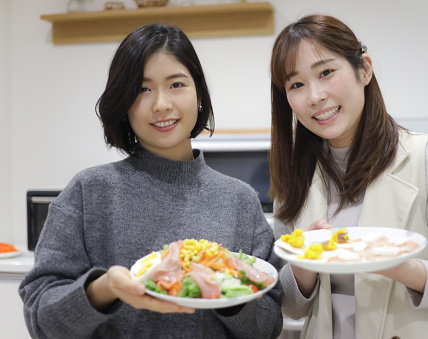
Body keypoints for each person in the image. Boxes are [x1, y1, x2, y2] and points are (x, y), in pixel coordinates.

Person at [19, 23, 283, 339]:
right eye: (142, 89)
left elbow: (269, 325)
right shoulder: (89, 192)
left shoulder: (239, 199)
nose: (161, 104)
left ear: (199, 94)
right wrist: (104, 289)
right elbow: (41, 320)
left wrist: (225, 289)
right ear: (124, 104)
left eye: (176, 84)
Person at [269, 14, 428, 339]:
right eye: (296, 85)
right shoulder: (294, 178)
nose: (315, 96)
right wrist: (303, 264)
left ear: (364, 69)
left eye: (326, 72)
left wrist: (402, 268)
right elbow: (292, 306)